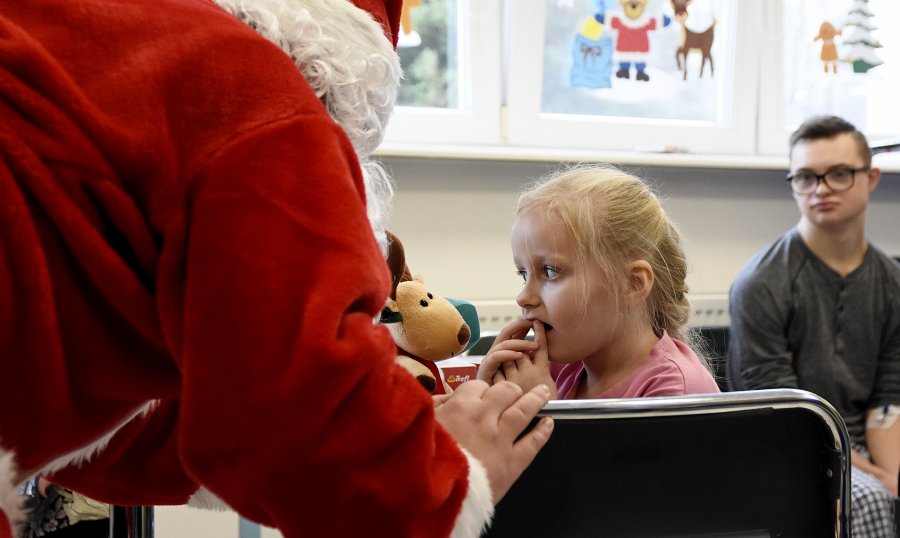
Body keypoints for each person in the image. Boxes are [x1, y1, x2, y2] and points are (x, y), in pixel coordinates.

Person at [0, 1, 554, 537]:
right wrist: (451, 473)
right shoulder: (258, 97)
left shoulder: (94, 41)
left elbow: (112, 408)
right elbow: (300, 405)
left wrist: (393, 428)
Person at [727, 115, 900, 537]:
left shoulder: (892, 281)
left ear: (871, 177)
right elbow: (786, 416)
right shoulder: (761, 283)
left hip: (864, 445)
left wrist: (891, 475)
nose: (820, 189)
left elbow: (888, 400)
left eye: (838, 174)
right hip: (787, 446)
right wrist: (877, 481)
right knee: (866, 498)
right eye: (805, 177)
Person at [476, 165, 720, 399]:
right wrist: (488, 402)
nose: (523, 297)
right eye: (523, 275)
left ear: (631, 284)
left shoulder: (676, 390)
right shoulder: (552, 371)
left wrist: (542, 411)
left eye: (550, 271)